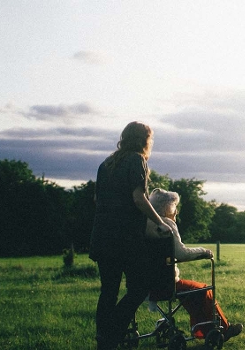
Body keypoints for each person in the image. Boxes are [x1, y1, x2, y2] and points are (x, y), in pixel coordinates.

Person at [90, 121, 172, 350]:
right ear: (144, 140)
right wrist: (160, 222)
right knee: (139, 288)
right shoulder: (137, 160)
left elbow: (98, 200)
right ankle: (111, 334)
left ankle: (103, 339)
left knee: (108, 291)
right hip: (124, 239)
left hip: (102, 236)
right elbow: (138, 198)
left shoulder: (106, 164)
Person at [146, 188, 243, 341]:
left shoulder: (145, 224)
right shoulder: (167, 225)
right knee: (204, 290)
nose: (176, 211)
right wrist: (203, 251)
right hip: (166, 284)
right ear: (166, 208)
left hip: (146, 283)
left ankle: (202, 331)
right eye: (174, 207)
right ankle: (224, 328)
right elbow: (182, 254)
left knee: (192, 292)